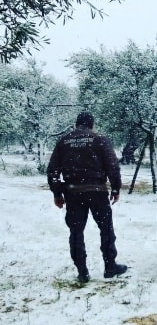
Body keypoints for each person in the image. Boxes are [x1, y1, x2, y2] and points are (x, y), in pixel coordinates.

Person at [47, 111, 127, 283]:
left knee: (76, 232)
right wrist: (115, 188)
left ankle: (82, 271)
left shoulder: (64, 141)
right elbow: (113, 166)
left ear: (77, 124)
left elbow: (52, 170)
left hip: (73, 193)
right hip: (97, 191)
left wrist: (57, 193)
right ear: (92, 124)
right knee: (106, 230)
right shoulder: (100, 139)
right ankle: (110, 267)